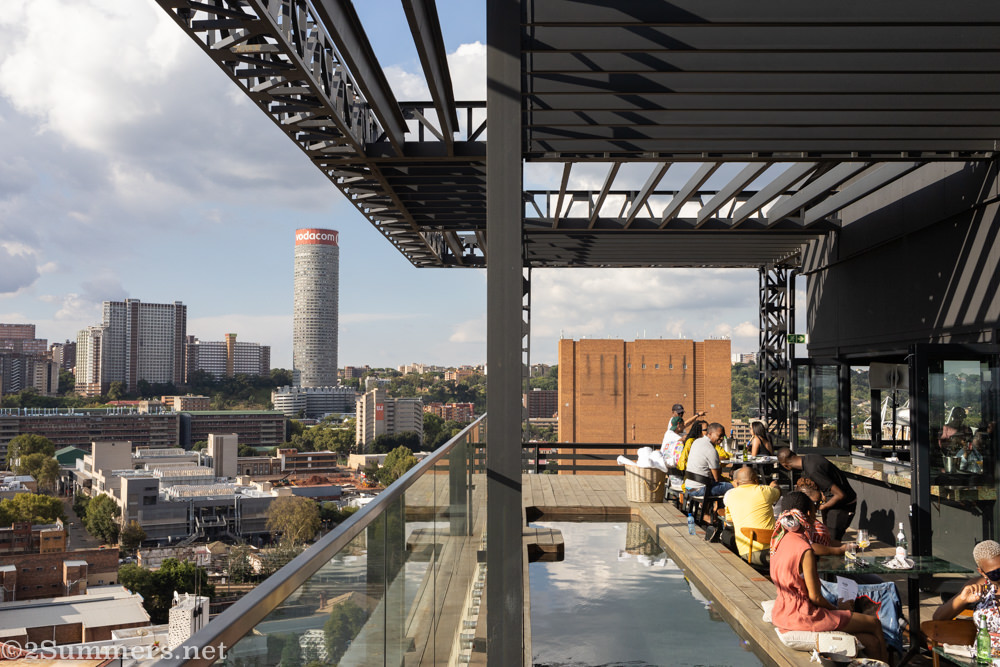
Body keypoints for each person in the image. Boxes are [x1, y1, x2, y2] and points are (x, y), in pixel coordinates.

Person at [770, 492, 888, 662]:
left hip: (782, 613)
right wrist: (837, 610)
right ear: (809, 515)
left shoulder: (779, 539)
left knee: (870, 641)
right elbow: (815, 597)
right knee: (874, 623)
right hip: (803, 616)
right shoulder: (804, 548)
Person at [777, 448, 857, 541]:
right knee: (826, 539)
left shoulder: (813, 471)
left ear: (786, 466)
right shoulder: (810, 457)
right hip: (835, 503)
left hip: (843, 505)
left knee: (832, 541)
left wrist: (822, 507)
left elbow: (840, 495)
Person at [932, 539, 1000, 638]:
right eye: (995, 574)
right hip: (982, 650)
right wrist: (962, 599)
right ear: (982, 572)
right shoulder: (981, 586)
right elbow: (938, 618)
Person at [723, 466, 781, 565]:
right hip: (772, 552)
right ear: (756, 480)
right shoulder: (764, 491)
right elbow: (778, 493)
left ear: (737, 482)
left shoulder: (730, 496)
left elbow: (729, 520)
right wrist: (774, 485)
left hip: (746, 553)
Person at [684, 422, 734, 522]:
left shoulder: (697, 442)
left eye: (723, 436)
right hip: (701, 489)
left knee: (718, 483)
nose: (721, 439)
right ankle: (723, 517)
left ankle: (710, 515)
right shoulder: (711, 450)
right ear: (710, 433)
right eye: (719, 436)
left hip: (689, 486)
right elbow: (716, 478)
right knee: (734, 487)